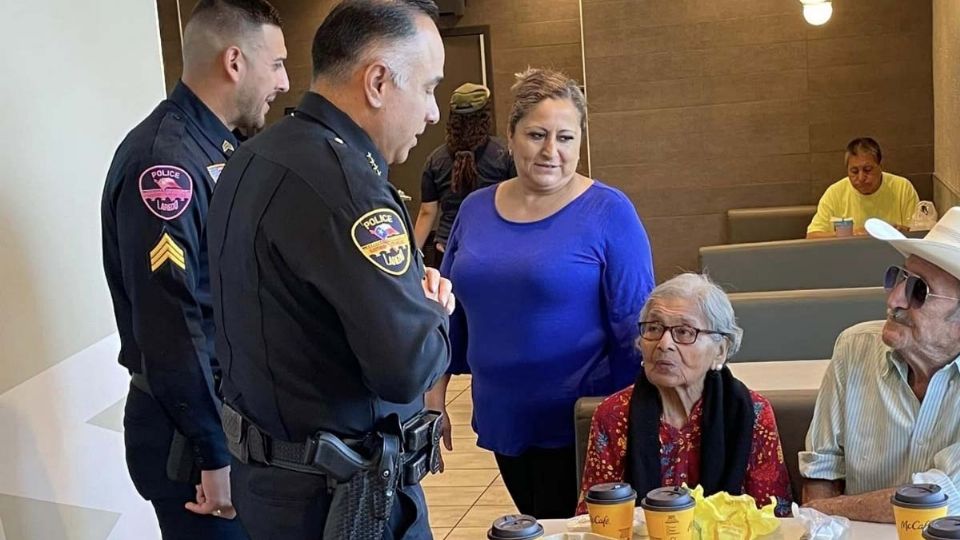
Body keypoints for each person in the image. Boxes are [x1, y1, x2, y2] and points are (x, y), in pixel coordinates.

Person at [205, 1, 452, 538]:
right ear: (379, 81)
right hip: (345, 501)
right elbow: (407, 368)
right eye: (429, 88)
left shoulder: (254, 155)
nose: (433, 113)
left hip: (272, 481)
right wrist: (433, 310)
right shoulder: (349, 187)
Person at [427, 68, 656, 519]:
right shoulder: (475, 209)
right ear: (510, 138)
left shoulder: (609, 211)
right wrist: (434, 397)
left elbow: (635, 327)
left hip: (583, 424)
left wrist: (640, 423)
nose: (552, 151)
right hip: (503, 416)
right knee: (534, 522)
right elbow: (448, 315)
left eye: (566, 137)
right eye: (537, 134)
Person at [100, 1, 288, 537]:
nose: (284, 80)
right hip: (193, 437)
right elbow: (172, 322)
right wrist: (214, 450)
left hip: (228, 420)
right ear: (234, 62)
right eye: (275, 63)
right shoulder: (167, 164)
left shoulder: (219, 147)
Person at [577, 273, 793, 516]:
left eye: (684, 332)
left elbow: (775, 515)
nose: (664, 343)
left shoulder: (751, 412)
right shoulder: (614, 415)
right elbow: (594, 518)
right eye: (654, 328)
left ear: (719, 351)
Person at [800, 207, 960, 522]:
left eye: (919, 291)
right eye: (899, 277)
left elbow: (941, 497)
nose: (894, 299)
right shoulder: (854, 349)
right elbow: (820, 470)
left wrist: (823, 511)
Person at [413, 82, 515, 267]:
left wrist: (411, 258)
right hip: (495, 250)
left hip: (447, 251)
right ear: (485, 118)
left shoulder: (436, 160)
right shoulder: (504, 154)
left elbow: (427, 212)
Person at [807, 137, 919, 238]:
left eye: (868, 170)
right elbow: (812, 236)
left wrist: (896, 231)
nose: (861, 178)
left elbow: (919, 234)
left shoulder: (903, 187)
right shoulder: (835, 193)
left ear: (880, 167)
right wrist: (851, 234)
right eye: (854, 171)